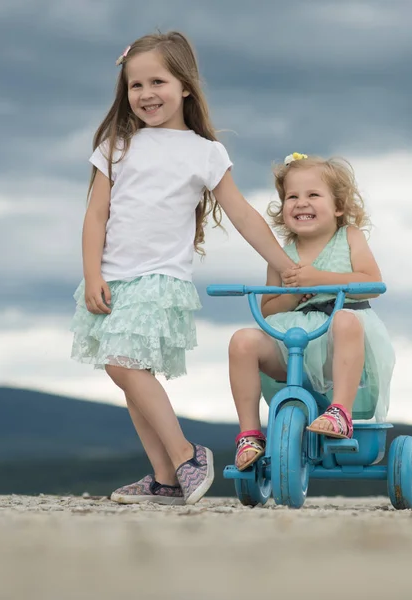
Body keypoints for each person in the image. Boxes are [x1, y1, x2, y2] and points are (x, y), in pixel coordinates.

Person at [70, 32, 295, 505]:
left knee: (124, 365)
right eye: (136, 85)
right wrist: (93, 274)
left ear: (186, 86)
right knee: (132, 376)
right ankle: (164, 480)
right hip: (114, 278)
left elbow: (241, 214)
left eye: (158, 81)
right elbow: (95, 215)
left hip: (159, 280)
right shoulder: (117, 145)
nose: (146, 94)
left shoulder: (204, 152)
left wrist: (284, 265)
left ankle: (186, 455)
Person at [228, 152, 396, 471]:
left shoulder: (348, 237)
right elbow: (269, 309)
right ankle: (250, 434)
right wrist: (293, 294)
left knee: (346, 319)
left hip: (340, 340)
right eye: (292, 196)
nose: (301, 203)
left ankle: (339, 413)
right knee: (242, 341)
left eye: (313, 195)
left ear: (338, 207)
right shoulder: (281, 254)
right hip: (294, 345)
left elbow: (372, 282)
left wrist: (319, 279)